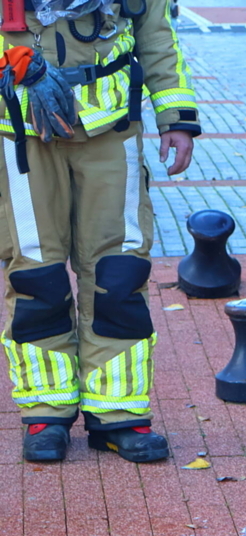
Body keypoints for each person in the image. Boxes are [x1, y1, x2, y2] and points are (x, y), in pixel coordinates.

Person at [0, 0, 199, 463]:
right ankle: (46, 412)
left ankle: (119, 415)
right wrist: (16, 63)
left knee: (119, 274)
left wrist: (177, 118)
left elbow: (157, 35)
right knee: (36, 275)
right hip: (22, 129)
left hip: (112, 130)